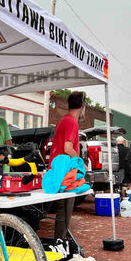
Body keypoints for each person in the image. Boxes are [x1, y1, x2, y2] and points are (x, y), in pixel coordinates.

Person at [49, 91, 86, 239]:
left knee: (63, 209)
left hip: (58, 169)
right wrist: (80, 163)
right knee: (65, 210)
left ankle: (62, 240)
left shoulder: (63, 120)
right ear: (82, 106)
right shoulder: (71, 122)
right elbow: (67, 148)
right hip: (65, 171)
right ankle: (60, 242)